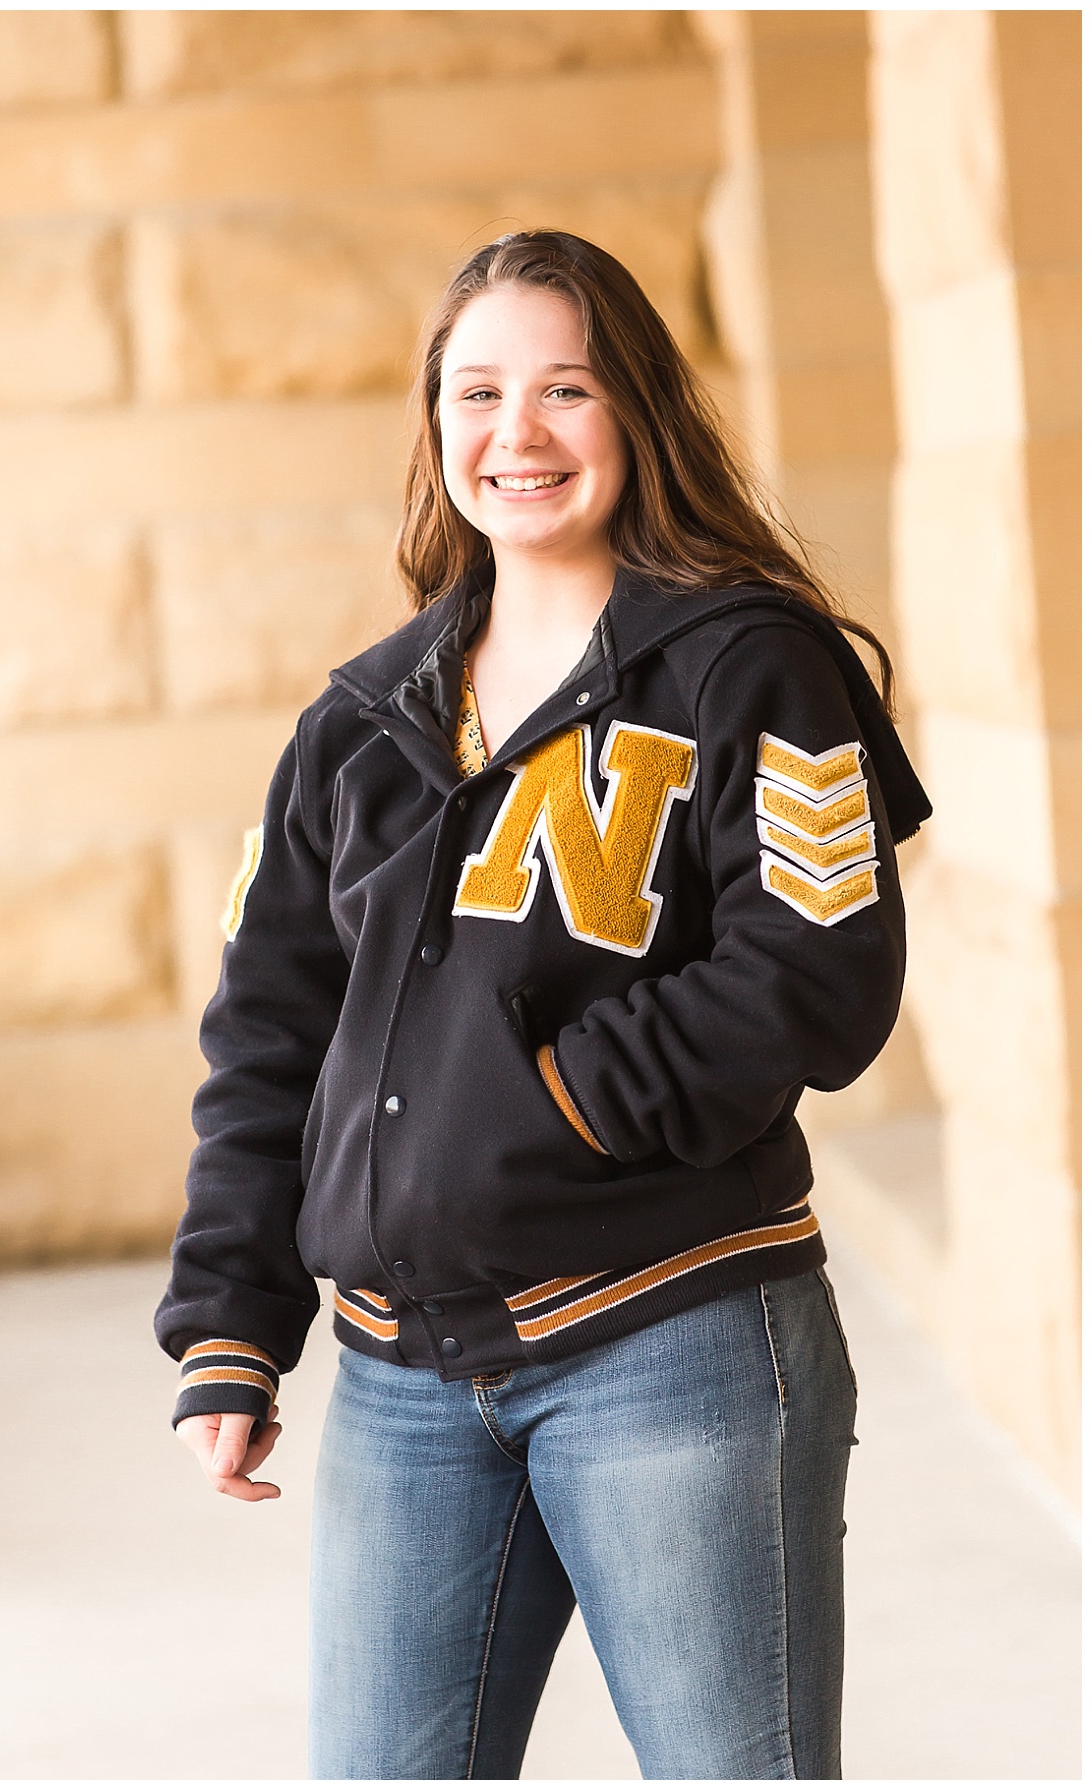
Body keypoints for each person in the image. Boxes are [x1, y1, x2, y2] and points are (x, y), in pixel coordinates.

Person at [156, 230, 930, 1780]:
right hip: (402, 1377)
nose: (519, 431)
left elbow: (815, 976)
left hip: (676, 1342)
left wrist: (551, 1103)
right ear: (434, 425)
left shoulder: (749, 665)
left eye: (566, 388)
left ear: (636, 409)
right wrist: (233, 1319)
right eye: (479, 392)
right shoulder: (357, 724)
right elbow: (272, 1037)